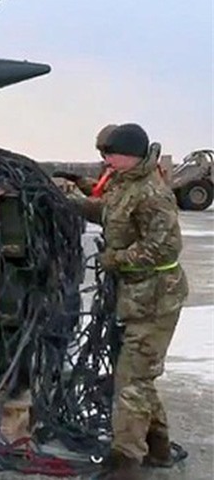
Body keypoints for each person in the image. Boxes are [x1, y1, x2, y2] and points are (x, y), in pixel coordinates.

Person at [71, 123, 189, 480]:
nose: (105, 159)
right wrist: (74, 201)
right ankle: (158, 448)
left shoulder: (152, 192)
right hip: (136, 297)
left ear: (130, 154)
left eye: (110, 154)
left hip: (155, 299)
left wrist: (114, 259)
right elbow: (107, 210)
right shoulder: (125, 183)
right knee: (141, 376)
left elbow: (165, 247)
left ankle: (125, 464)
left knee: (131, 380)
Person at [55, 124, 118, 197]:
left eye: (107, 151)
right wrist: (78, 180)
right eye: (102, 151)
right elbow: (98, 190)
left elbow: (109, 201)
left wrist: (82, 204)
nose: (104, 156)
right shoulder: (109, 170)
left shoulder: (124, 174)